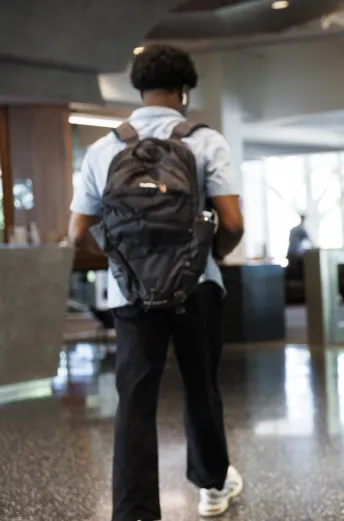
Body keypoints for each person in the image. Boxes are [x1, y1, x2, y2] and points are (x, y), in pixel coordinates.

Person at [68, 44, 244, 521]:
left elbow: (77, 232)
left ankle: (134, 511)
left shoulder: (105, 148)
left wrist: (124, 262)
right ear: (183, 92)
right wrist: (212, 257)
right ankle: (211, 485)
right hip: (198, 286)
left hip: (130, 293)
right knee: (199, 386)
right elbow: (231, 221)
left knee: (136, 399)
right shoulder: (206, 141)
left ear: (139, 90)